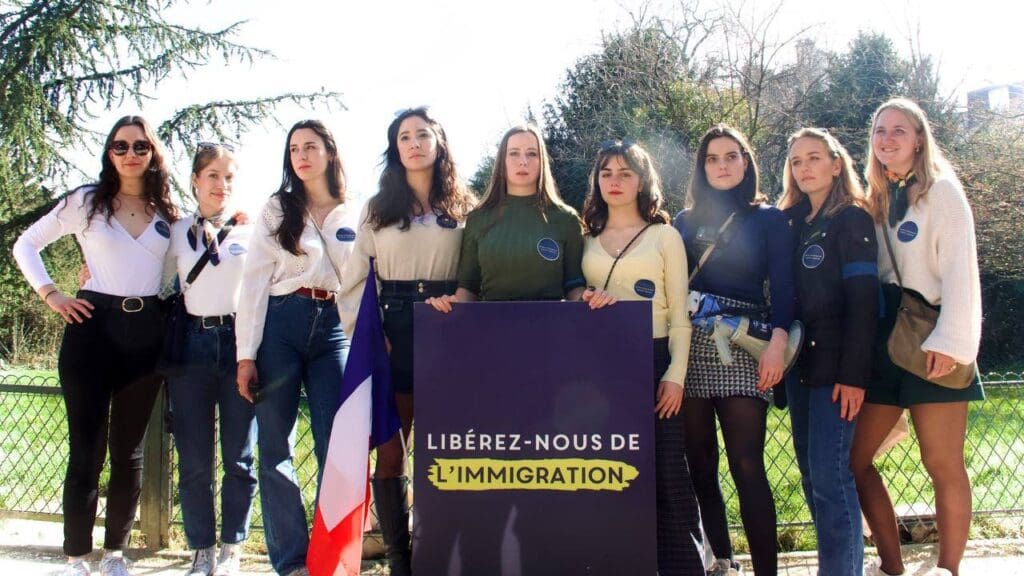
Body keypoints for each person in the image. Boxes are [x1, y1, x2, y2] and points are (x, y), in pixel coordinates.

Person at [13, 115, 178, 576]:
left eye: (140, 146)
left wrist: (235, 223)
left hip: (146, 335)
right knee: (87, 449)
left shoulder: (168, 212)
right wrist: (52, 294)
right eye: (120, 146)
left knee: (130, 453)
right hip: (92, 331)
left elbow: (186, 265)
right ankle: (76, 556)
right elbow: (26, 245)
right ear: (110, 153)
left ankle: (115, 555)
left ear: (153, 153)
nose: (130, 154)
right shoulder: (86, 202)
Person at [426, 124, 585, 573]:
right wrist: (446, 310)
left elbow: (573, 286)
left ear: (542, 161)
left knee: (542, 467)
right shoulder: (480, 219)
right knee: (496, 465)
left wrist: (590, 301)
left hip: (548, 361)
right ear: (502, 161)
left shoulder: (565, 219)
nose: (522, 161)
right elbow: (468, 289)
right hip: (490, 361)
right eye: (514, 153)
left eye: (531, 153)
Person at [338, 107, 474, 576]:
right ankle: (401, 561)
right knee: (391, 452)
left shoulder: (466, 207)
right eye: (404, 137)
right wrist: (371, 337)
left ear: (439, 142)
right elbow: (355, 282)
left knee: (447, 451)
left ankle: (443, 557)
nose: (414, 143)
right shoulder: (377, 208)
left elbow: (477, 274)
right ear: (395, 148)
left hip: (449, 331)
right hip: (392, 331)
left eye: (422, 135)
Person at [851, 98, 983, 576]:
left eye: (899, 130)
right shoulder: (877, 200)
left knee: (942, 463)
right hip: (886, 343)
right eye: (879, 130)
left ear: (920, 139)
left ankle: (948, 569)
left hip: (932, 338)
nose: (887, 139)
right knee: (855, 460)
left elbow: (961, 271)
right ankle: (892, 566)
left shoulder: (942, 191)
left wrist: (951, 343)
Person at [234, 120, 359, 576]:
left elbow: (365, 279)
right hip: (281, 323)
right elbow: (253, 280)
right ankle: (290, 561)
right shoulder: (277, 208)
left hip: (334, 328)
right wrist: (246, 354)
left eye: (310, 146)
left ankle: (332, 558)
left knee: (338, 446)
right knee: (275, 447)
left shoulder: (355, 211)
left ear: (330, 151)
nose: (301, 156)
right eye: (293, 149)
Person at [673, 124, 794, 576]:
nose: (721, 166)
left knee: (747, 464)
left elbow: (785, 287)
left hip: (745, 342)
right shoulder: (683, 222)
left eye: (731, 157)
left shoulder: (769, 220)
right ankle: (721, 561)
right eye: (712, 158)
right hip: (691, 344)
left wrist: (778, 342)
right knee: (700, 464)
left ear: (746, 162)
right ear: (701, 168)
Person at [580, 139, 704, 575]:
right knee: (611, 473)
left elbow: (680, 316)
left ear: (642, 180)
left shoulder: (664, 236)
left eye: (625, 173)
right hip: (601, 369)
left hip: (655, 361)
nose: (615, 181)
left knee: (669, 474)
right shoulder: (585, 239)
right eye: (606, 173)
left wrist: (675, 375)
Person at [776, 128, 879, 576]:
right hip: (800, 367)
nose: (805, 168)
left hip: (837, 370)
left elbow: (864, 304)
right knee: (812, 477)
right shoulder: (793, 222)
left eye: (814, 158)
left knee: (831, 478)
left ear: (837, 165)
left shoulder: (851, 219)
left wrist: (853, 375)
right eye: (796, 161)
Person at [164, 143, 257, 576]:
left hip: (239, 346)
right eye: (213, 176)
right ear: (196, 181)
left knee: (239, 456)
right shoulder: (176, 232)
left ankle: (231, 548)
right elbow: (156, 280)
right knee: (195, 459)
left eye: (229, 177)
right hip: (192, 347)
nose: (222, 185)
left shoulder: (251, 233)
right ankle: (201, 549)